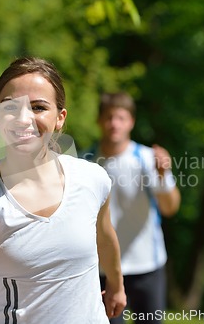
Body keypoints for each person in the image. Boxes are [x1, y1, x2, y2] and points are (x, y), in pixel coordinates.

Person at [0, 57, 126, 324]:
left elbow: (104, 234)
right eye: (10, 107)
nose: (23, 118)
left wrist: (117, 284)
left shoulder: (92, 178)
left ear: (59, 119)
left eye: (38, 107)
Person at [82, 92, 181, 324]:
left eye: (121, 117)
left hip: (147, 266)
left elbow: (170, 208)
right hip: (102, 269)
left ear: (131, 122)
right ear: (99, 121)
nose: (114, 124)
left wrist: (163, 175)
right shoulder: (83, 162)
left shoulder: (147, 159)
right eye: (109, 117)